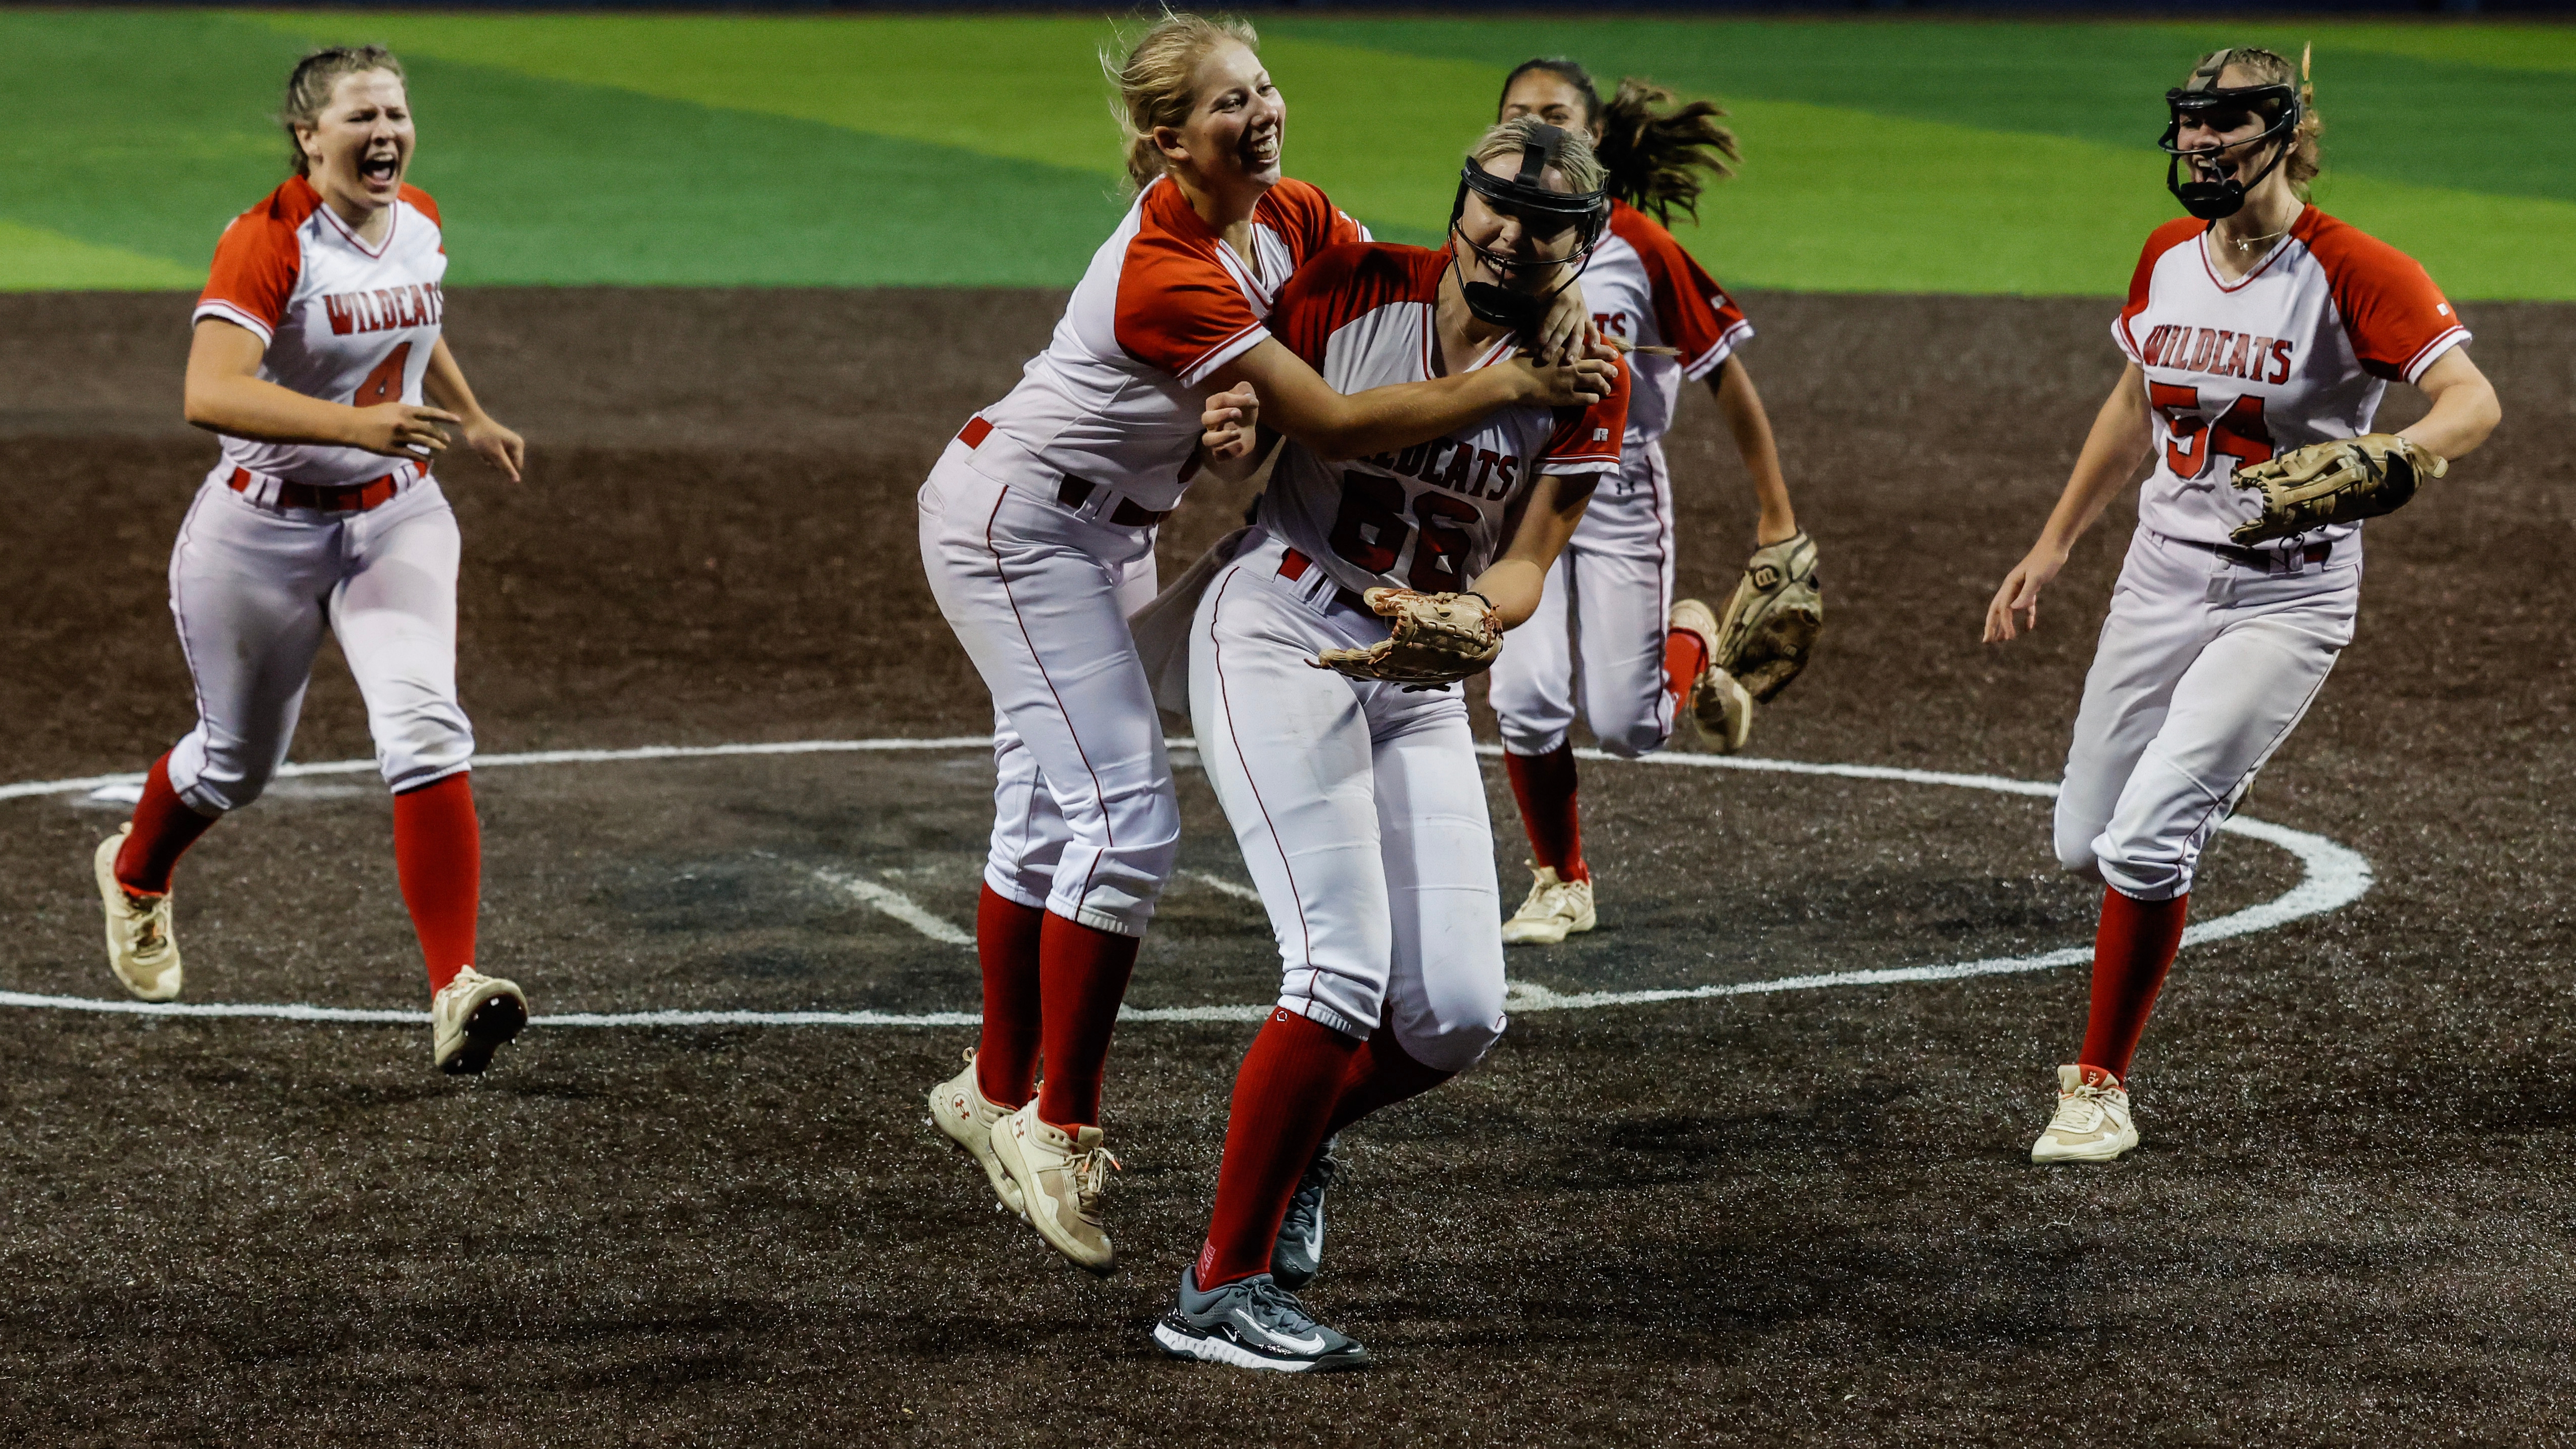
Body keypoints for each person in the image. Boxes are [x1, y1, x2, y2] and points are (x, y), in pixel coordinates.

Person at [918, 13, 1614, 1274]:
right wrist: (1509, 382)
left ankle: (990, 1082)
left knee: (1044, 809)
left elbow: (1365, 300)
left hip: (1117, 529)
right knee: (1124, 820)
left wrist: (1548, 317)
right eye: (1231, 99)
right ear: (1165, 139)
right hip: (1019, 526)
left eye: (1268, 85)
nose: (1264, 110)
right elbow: (1337, 417)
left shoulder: (1289, 219)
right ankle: (1057, 1119)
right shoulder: (1162, 267)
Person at [1149, 118, 1629, 1370]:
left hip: (1416, 675)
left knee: (1461, 1010)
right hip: (1280, 625)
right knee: (1340, 969)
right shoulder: (1350, 287)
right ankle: (1218, 1285)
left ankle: (1293, 1143)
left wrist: (1479, 612)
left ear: (1584, 245)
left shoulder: (1595, 369)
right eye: (1493, 209)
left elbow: (1527, 557)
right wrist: (1235, 427)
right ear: (1459, 204)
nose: (1511, 237)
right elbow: (1268, 409)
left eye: (1545, 227)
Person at [1985, 46, 2499, 1164]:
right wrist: (2053, 541)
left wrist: (2393, 453)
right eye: (2188, 125)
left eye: (2222, 125)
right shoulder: (2167, 255)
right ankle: (2188, 796)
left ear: (2282, 131)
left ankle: (2099, 1086)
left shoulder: (2356, 267)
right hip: (2157, 576)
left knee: (2149, 837)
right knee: (2085, 840)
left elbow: (2470, 400)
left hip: (2288, 594)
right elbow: (2133, 400)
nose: (2198, 144)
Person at [92, 45, 530, 1074]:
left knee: (425, 724)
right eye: (360, 117)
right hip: (261, 532)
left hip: (399, 517)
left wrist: (466, 414)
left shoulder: (415, 214)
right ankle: (138, 870)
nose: (385, 131)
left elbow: (416, 319)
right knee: (236, 766)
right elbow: (210, 391)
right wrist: (356, 423)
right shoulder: (269, 241)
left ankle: (455, 984)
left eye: (396, 111)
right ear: (308, 136)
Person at [1482, 59, 1808, 947]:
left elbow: (1723, 378)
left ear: (1596, 137)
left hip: (1619, 486)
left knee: (1631, 726)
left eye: (1557, 115)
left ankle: (1691, 642)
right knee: (1527, 691)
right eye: (1520, 115)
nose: (1539, 129)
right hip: (1514, 494)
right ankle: (1562, 879)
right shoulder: (1479, 233)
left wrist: (1774, 516)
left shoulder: (1638, 245)